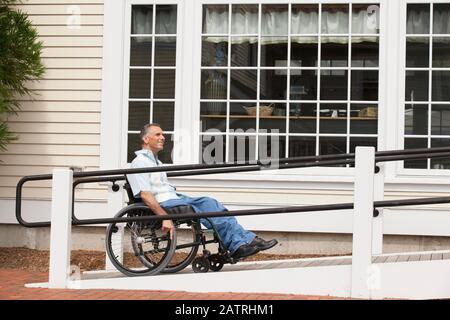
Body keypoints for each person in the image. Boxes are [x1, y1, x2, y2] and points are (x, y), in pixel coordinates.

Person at [127, 123, 278, 259]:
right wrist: (164, 217)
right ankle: (240, 243)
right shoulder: (140, 162)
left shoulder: (156, 162)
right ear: (146, 139)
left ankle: (245, 241)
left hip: (172, 198)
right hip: (164, 203)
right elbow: (145, 194)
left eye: (162, 134)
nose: (163, 137)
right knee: (207, 204)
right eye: (158, 134)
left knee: (212, 204)